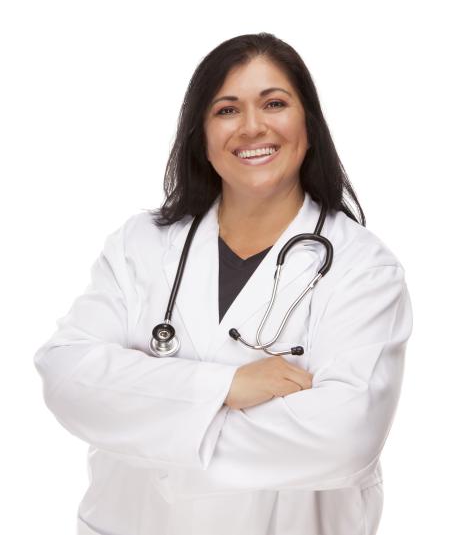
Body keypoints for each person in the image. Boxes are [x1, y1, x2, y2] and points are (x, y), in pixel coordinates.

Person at [34, 32, 413, 535]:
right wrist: (226, 387)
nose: (253, 127)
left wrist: (151, 422)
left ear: (309, 125)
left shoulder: (363, 268)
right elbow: (66, 375)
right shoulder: (141, 245)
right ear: (202, 134)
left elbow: (345, 436)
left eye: (274, 103)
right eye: (227, 110)